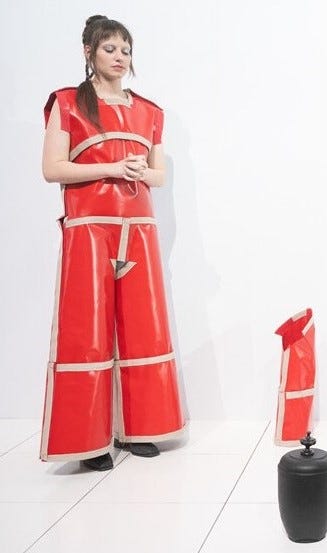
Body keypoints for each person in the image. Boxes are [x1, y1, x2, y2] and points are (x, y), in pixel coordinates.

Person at [39, 15, 185, 471]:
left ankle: (139, 429)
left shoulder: (150, 112)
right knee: (87, 332)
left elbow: (159, 176)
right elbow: (52, 169)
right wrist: (111, 168)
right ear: (89, 52)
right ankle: (89, 441)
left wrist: (140, 171)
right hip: (90, 229)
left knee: (144, 329)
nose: (120, 57)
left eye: (126, 49)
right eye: (110, 49)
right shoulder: (67, 103)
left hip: (138, 230)